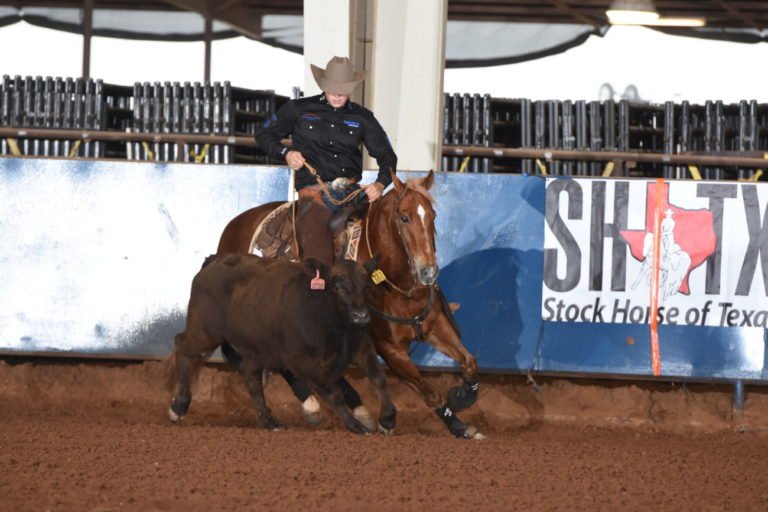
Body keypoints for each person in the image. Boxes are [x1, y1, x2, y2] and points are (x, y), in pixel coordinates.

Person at [256, 56, 398, 268]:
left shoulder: (363, 118)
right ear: (323, 86)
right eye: (332, 89)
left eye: (342, 90)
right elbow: (264, 134)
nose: (337, 95)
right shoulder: (298, 109)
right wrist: (286, 152)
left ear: (351, 89)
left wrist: (380, 183)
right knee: (318, 254)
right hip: (314, 194)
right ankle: (318, 287)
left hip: (352, 193)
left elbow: (387, 155)